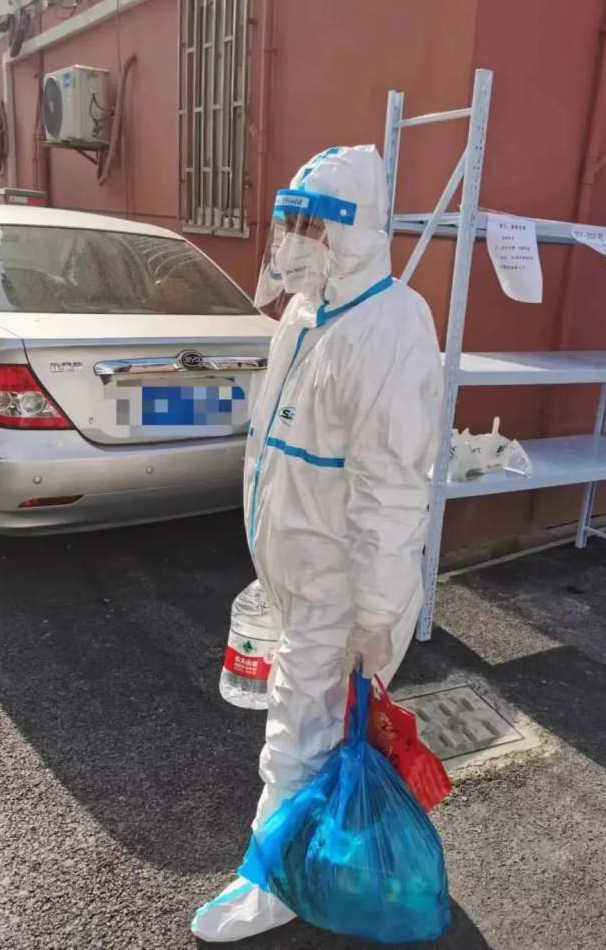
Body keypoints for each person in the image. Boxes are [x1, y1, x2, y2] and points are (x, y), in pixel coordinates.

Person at [192, 144, 443, 942]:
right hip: (296, 578)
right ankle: (319, 855)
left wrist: (378, 613)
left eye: (314, 225)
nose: (297, 241)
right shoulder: (303, 317)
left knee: (297, 728)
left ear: (356, 231)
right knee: (313, 723)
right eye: (292, 222)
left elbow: (392, 492)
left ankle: (274, 878)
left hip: (338, 586)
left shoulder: (391, 326)